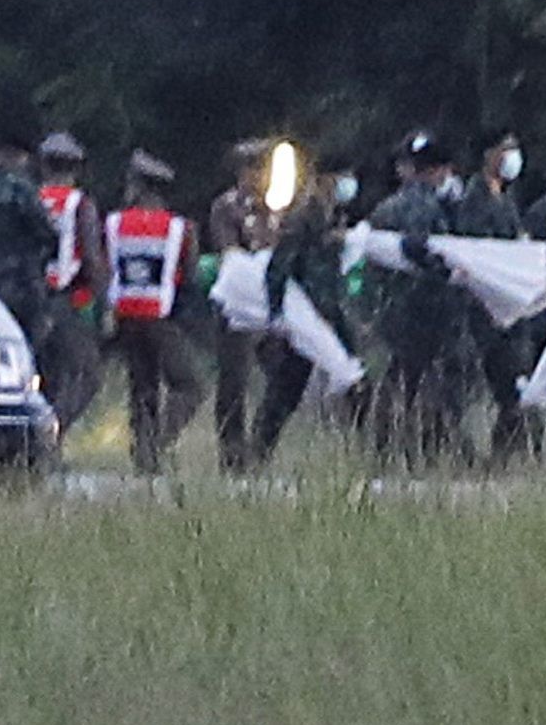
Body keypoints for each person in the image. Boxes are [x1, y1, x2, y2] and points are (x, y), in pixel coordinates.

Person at [0, 128, 94, 435]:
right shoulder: (19, 190)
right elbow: (48, 237)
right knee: (38, 367)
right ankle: (33, 435)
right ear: (14, 154)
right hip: (21, 292)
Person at [250, 149, 364, 465]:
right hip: (308, 313)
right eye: (341, 177)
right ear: (324, 179)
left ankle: (376, 449)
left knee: (353, 378)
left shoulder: (333, 216)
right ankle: (257, 452)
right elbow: (279, 266)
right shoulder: (303, 217)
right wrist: (277, 315)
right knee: (287, 388)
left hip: (330, 309)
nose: (347, 184)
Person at [366, 131, 470, 469]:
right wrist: (446, 271)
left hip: (394, 307)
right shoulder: (425, 206)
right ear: (437, 170)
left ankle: (385, 449)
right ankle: (425, 451)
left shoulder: (387, 206)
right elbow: (417, 246)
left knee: (400, 379)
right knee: (430, 382)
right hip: (424, 308)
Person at [105, 150, 207, 474]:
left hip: (125, 317)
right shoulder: (181, 228)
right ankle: (157, 445)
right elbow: (190, 275)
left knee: (142, 387)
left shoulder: (114, 223)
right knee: (190, 386)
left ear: (138, 186)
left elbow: (104, 266)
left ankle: (143, 453)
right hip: (162, 316)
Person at [455, 128, 538, 466]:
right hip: (482, 310)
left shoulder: (506, 198)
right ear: (488, 154)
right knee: (463, 387)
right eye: (505, 149)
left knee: (513, 388)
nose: (512, 156)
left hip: (508, 309)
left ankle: (504, 456)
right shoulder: (474, 201)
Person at [208, 139, 282, 474]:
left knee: (281, 376)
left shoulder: (279, 208)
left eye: (261, 169)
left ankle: (261, 445)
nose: (256, 176)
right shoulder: (227, 206)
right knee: (233, 382)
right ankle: (232, 452)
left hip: (274, 302)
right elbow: (229, 251)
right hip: (238, 302)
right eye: (251, 169)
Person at [32, 131, 106, 435]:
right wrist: (104, 302)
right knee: (87, 374)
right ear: (77, 168)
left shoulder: (29, 198)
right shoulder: (79, 204)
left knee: (44, 374)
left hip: (29, 297)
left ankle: (32, 440)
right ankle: (50, 433)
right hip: (63, 300)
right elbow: (91, 257)